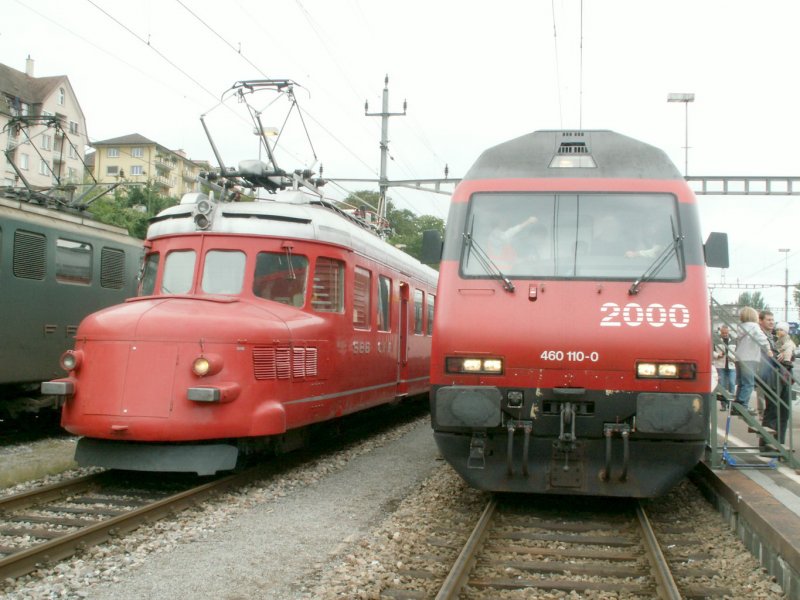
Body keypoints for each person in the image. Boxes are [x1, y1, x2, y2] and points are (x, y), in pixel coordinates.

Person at [762, 321, 795, 446]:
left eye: (781, 330)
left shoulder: (788, 344)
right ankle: (768, 444)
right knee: (773, 411)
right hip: (775, 378)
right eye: (778, 329)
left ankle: (779, 443)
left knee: (783, 413)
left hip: (784, 378)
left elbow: (788, 358)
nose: (778, 331)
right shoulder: (772, 341)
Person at [734, 306, 771, 414]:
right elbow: (762, 338)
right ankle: (743, 405)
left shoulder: (740, 327)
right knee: (749, 383)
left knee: (742, 382)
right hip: (750, 358)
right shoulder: (754, 326)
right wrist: (768, 349)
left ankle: (738, 403)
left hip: (739, 357)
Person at [755, 310, 778, 418]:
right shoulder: (759, 334)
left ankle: (767, 415)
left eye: (772, 320)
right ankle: (763, 415)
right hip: (762, 369)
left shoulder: (771, 336)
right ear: (760, 321)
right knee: (763, 394)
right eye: (768, 320)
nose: (771, 322)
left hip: (770, 369)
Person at [713, 325, 736, 407]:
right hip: (720, 365)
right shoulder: (715, 340)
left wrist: (733, 357)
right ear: (720, 332)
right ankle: (723, 404)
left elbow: (737, 352)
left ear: (729, 332)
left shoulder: (734, 340)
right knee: (722, 385)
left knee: (732, 383)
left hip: (732, 365)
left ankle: (731, 403)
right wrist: (717, 355)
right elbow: (711, 351)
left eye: (726, 333)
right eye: (723, 333)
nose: (725, 334)